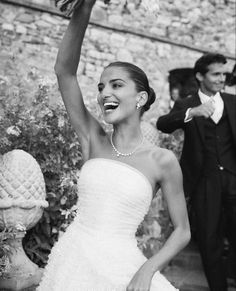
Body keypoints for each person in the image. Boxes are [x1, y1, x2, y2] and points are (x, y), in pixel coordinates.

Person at [37, 1, 190, 290]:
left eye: (116, 85)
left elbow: (182, 231)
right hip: (73, 263)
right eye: (101, 87)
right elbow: (64, 72)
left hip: (124, 269)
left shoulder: (162, 160)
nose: (105, 92)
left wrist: (147, 270)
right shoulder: (92, 138)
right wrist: (85, 6)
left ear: (141, 98)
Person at [156, 53, 236, 291]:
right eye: (216, 74)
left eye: (224, 74)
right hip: (203, 183)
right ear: (200, 76)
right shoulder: (186, 104)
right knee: (209, 243)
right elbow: (163, 124)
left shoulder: (233, 102)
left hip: (234, 179)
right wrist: (193, 113)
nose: (222, 78)